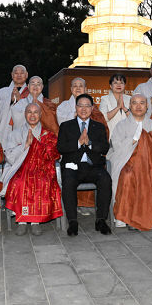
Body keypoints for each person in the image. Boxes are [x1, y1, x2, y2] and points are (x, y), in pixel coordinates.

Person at [108, 94, 152, 230]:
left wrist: (146, 143)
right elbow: (116, 146)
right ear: (129, 106)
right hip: (127, 160)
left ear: (147, 107)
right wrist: (134, 141)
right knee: (128, 176)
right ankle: (129, 217)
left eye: (142, 103)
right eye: (134, 103)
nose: (138, 106)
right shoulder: (121, 126)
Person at [2, 103, 62, 236]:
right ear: (25, 114)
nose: (32, 115)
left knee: (41, 182)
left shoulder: (48, 134)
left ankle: (36, 222)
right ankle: (22, 221)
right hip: (20, 167)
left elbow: (53, 155)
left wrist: (39, 144)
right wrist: (25, 146)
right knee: (20, 182)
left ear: (40, 115)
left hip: (42, 168)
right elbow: (9, 156)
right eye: (29, 112)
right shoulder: (15, 134)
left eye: (36, 112)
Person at [57, 94, 112, 236]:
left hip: (93, 167)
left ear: (92, 108)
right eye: (80, 105)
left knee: (105, 179)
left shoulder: (99, 127)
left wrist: (90, 144)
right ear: (76, 107)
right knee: (68, 181)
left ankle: (101, 220)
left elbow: (105, 148)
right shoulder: (66, 126)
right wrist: (78, 143)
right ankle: (73, 222)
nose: (83, 109)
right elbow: (61, 147)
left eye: (87, 106)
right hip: (72, 167)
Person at [56, 77, 106, 211]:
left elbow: (102, 134)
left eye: (81, 86)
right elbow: (65, 129)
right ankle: (72, 216)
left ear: (86, 89)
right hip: (72, 153)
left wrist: (90, 141)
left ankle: (96, 211)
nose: (78, 88)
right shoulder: (62, 107)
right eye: (75, 86)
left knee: (103, 176)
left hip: (91, 156)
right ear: (71, 89)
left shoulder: (94, 110)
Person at [0, 64, 29, 141]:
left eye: (22, 73)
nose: (19, 75)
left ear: (26, 75)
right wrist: (10, 101)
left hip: (23, 132)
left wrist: (20, 102)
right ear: (12, 75)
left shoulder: (31, 92)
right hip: (4, 131)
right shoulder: (2, 92)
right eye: (16, 73)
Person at [99, 73, 131, 139]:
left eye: (121, 83)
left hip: (128, 137)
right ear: (110, 86)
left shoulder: (131, 99)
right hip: (111, 137)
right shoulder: (105, 99)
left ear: (125, 85)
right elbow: (102, 118)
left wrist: (124, 108)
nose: (118, 85)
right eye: (115, 83)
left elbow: (135, 118)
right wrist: (118, 107)